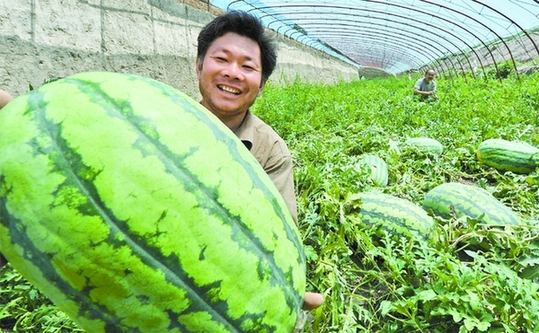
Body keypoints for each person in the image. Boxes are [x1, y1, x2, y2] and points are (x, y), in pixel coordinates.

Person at [196, 11, 324, 312]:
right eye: (222, 59)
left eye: (248, 66)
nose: (233, 73)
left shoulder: (271, 151)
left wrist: (282, 286)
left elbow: (280, 235)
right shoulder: (157, 123)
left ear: (262, 84)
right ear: (199, 65)